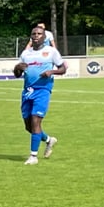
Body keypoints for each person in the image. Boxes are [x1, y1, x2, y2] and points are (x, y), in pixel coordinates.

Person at [14, 26, 66, 165]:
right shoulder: (26, 54)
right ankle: (49, 140)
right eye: (34, 34)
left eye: (39, 34)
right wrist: (17, 68)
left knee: (36, 121)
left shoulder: (51, 52)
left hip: (43, 90)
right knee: (28, 127)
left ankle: (33, 156)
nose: (36, 36)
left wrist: (51, 72)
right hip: (28, 91)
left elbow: (63, 68)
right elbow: (17, 74)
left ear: (44, 37)